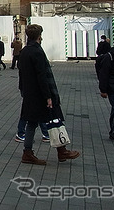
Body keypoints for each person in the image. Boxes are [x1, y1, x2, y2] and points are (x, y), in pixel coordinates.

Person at [18, 24, 80, 165]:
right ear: (40, 35)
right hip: (40, 94)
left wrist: (22, 90)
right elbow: (42, 76)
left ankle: (29, 153)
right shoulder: (37, 51)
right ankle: (61, 150)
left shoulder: (24, 51)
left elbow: (21, 74)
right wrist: (48, 96)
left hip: (29, 94)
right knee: (55, 119)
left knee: (32, 123)